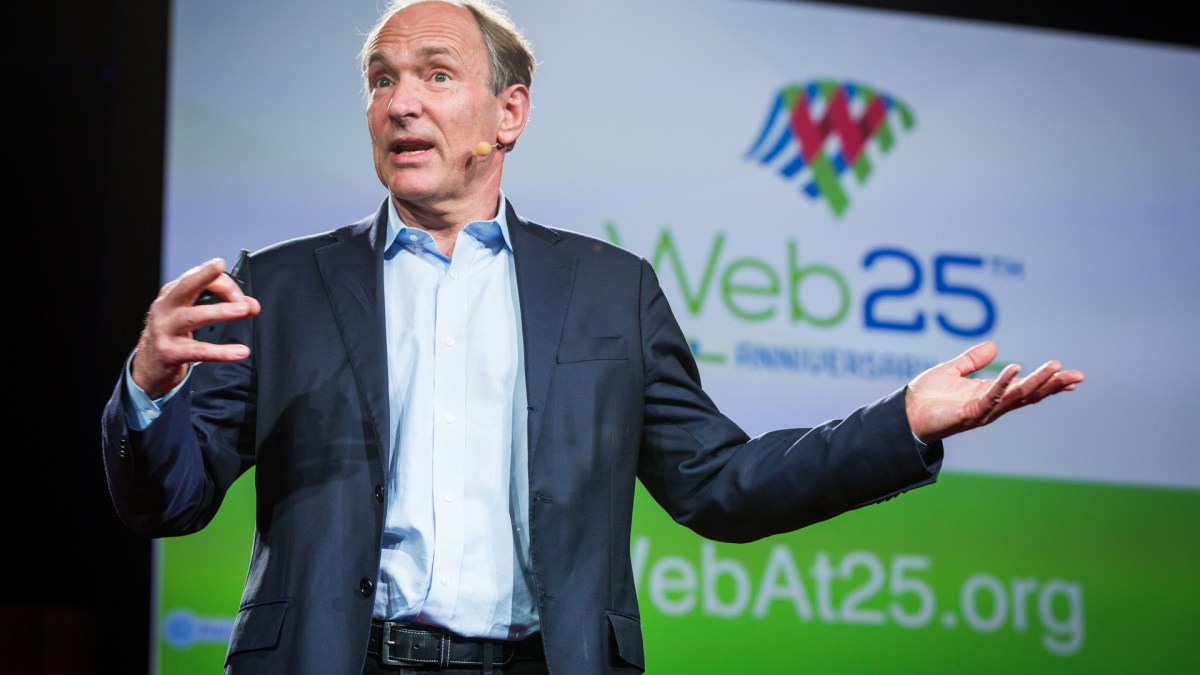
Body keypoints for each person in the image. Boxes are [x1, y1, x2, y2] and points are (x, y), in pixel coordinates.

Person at [100, 1, 1084, 674]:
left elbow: (719, 486)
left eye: (435, 75)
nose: (399, 102)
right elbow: (171, 500)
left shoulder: (610, 291)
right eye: (380, 79)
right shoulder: (282, 284)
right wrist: (148, 386)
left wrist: (901, 421)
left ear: (509, 112)